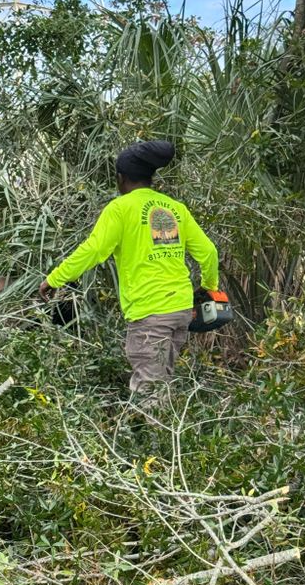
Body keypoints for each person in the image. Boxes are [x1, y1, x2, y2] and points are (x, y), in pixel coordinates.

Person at [39, 140, 219, 396]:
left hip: (151, 313)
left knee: (151, 393)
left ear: (121, 179)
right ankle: (169, 434)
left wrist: (55, 279)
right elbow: (209, 252)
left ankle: (155, 434)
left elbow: (94, 250)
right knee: (161, 385)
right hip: (180, 311)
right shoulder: (175, 208)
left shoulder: (121, 209)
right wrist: (209, 288)